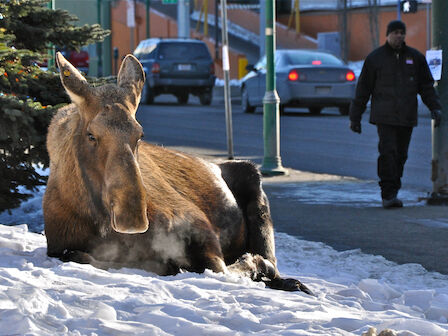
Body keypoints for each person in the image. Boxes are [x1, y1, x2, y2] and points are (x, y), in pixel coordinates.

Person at [349, 20, 442, 209]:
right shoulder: (376, 58)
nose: (399, 36)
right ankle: (388, 193)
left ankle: (394, 189)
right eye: (395, 32)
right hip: (385, 116)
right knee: (388, 153)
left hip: (407, 116)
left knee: (401, 155)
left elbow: (426, 87)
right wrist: (355, 117)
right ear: (387, 35)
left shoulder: (415, 58)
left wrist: (435, 107)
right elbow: (363, 89)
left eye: (402, 33)